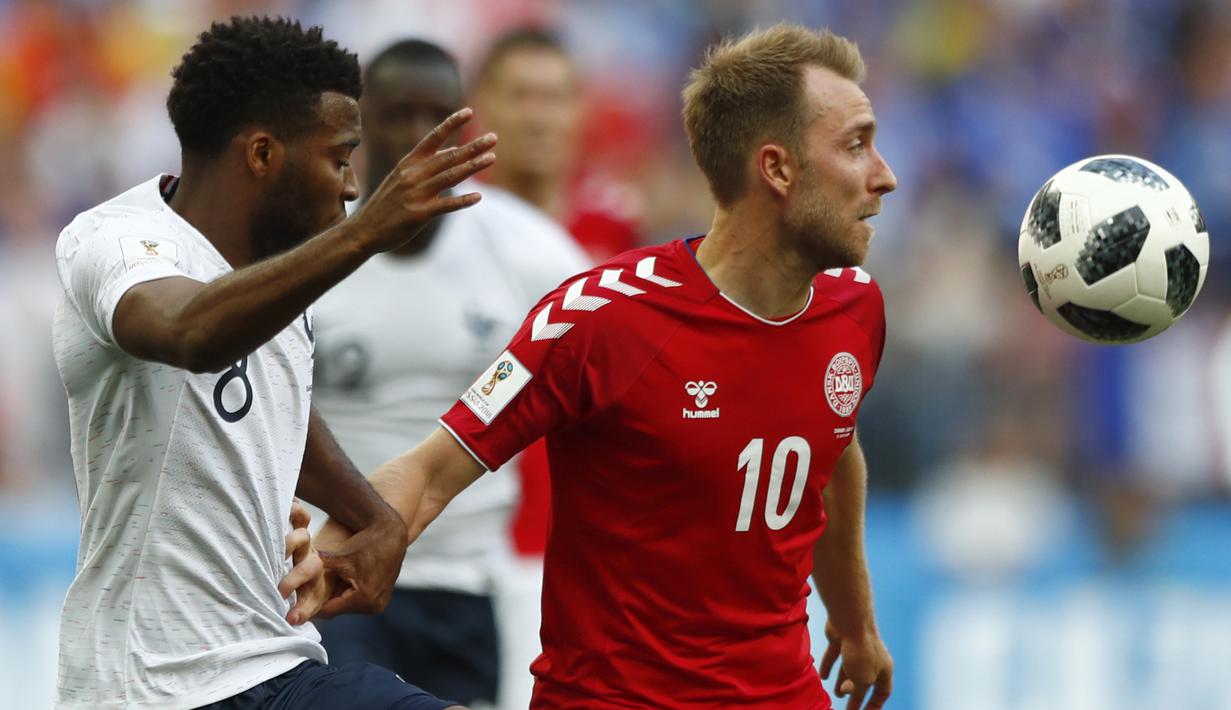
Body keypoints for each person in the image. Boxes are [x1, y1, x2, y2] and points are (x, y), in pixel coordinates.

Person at [319, 23, 896, 710]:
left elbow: (832, 449)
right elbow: (430, 469)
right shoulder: (599, 320)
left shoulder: (854, 309)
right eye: (856, 144)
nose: (883, 175)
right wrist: (334, 560)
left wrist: (855, 623)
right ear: (775, 169)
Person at [51, 16, 495, 710]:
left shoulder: (276, 273)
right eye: (340, 157)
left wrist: (370, 515)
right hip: (150, 683)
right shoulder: (115, 239)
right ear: (262, 154)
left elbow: (270, 395)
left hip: (274, 663)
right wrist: (368, 234)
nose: (351, 188)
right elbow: (191, 333)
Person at [310, 39, 587, 708]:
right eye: (398, 114)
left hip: (470, 582)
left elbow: (602, 385)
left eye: (435, 115)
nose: (416, 136)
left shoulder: (531, 252)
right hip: (333, 576)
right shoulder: (305, 250)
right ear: (357, 121)